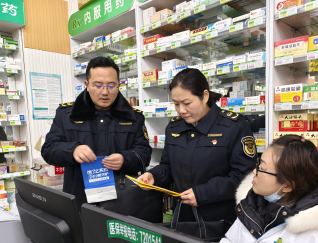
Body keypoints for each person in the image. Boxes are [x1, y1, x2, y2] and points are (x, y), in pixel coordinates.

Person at [138, 68, 257, 223]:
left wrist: (203, 193)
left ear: (205, 96)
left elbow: (245, 176)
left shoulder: (234, 126)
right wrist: (154, 176)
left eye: (187, 103)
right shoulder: (174, 128)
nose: (181, 110)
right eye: (176, 104)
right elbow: (168, 165)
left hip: (220, 220)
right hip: (183, 217)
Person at [41, 56, 152, 212]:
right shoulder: (66, 115)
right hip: (79, 202)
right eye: (98, 85)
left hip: (123, 203)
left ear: (119, 85)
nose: (105, 92)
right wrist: (73, 150)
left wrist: (125, 159)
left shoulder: (134, 118)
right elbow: (48, 150)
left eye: (111, 86)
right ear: (87, 85)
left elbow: (144, 154)